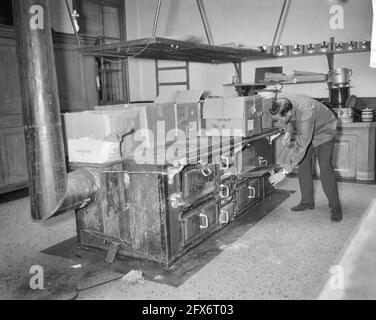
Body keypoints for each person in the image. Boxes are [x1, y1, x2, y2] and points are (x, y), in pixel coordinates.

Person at [268, 93, 342, 222]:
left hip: (325, 130)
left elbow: (301, 145)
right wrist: (288, 132)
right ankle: (307, 201)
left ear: (288, 113)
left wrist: (284, 172)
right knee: (303, 164)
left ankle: (336, 207)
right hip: (307, 128)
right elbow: (291, 119)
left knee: (325, 168)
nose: (278, 123)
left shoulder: (306, 113)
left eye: (279, 119)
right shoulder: (286, 102)